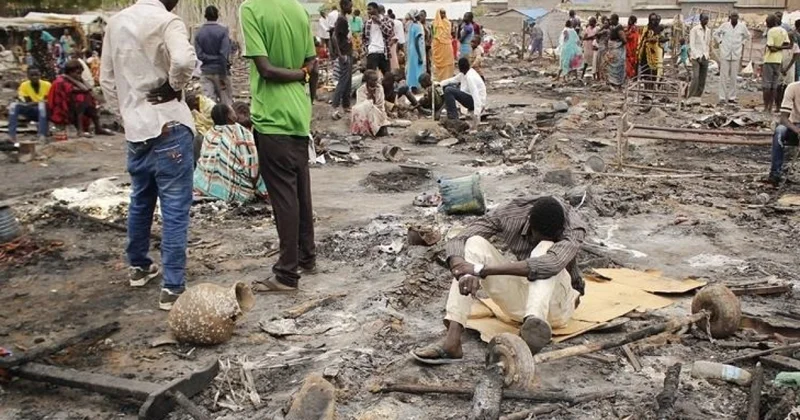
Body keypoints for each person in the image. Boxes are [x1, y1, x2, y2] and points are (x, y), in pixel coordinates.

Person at [100, 0, 197, 310]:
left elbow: (107, 80)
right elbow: (183, 60)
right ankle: (172, 287)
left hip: (137, 130)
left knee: (141, 200)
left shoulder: (116, 23)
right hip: (169, 124)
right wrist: (174, 85)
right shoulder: (167, 21)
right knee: (175, 208)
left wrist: (125, 116)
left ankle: (139, 266)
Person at [411, 196, 587, 363]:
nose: (533, 241)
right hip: (521, 303)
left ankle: (533, 327)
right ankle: (452, 342)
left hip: (558, 306)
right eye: (534, 235)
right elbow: (460, 238)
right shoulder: (510, 214)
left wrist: (481, 270)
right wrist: (464, 271)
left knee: (545, 249)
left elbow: (551, 264)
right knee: (474, 242)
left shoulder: (574, 227)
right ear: (529, 223)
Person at [240, 0, 317, 292]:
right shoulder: (298, 9)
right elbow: (312, 64)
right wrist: (306, 89)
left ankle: (286, 273)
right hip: (299, 113)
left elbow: (266, 69)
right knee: (300, 190)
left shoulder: (251, 9)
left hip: (272, 116)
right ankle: (306, 256)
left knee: (284, 196)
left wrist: (300, 74)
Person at [193, 103, 267, 203]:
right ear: (229, 116)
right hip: (235, 191)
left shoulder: (210, 133)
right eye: (232, 111)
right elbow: (252, 169)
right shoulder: (242, 134)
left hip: (205, 185)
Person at [48, 59, 112, 138]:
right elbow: (70, 91)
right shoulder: (60, 81)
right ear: (70, 72)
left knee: (90, 105)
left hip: (77, 104)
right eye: (77, 73)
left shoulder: (78, 80)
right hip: (65, 107)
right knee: (80, 105)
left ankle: (98, 128)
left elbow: (87, 90)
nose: (79, 75)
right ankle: (80, 131)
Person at [195, 5, 233, 106]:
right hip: (221, 71)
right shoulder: (223, 31)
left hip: (206, 72)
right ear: (217, 15)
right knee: (226, 103)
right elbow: (224, 54)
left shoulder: (199, 33)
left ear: (205, 16)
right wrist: (223, 74)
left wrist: (210, 59)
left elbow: (199, 55)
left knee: (209, 104)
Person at [714, 12, 750, 104]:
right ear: (730, 17)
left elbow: (748, 36)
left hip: (736, 54)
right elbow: (715, 34)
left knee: (734, 77)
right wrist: (720, 41)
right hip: (725, 53)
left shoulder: (742, 27)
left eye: (735, 17)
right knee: (723, 76)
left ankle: (732, 97)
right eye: (732, 17)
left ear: (738, 17)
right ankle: (722, 97)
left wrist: (742, 43)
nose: (734, 18)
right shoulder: (725, 26)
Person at [7, 67, 50, 143]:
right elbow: (27, 102)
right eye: (32, 75)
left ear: (40, 75)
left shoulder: (47, 85)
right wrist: (38, 102)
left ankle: (41, 135)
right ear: (28, 76)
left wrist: (37, 103)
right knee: (13, 106)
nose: (34, 77)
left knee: (42, 106)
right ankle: (12, 136)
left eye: (36, 75)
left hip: (46, 112)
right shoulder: (24, 85)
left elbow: (48, 101)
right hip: (32, 111)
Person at [441, 57, 486, 127]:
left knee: (448, 90)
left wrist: (477, 112)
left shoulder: (470, 77)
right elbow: (453, 80)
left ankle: (453, 117)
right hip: (471, 99)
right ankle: (451, 113)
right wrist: (439, 84)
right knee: (448, 86)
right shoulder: (465, 73)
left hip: (475, 102)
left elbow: (475, 93)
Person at [331, 0, 354, 120]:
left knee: (348, 80)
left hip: (348, 52)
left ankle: (346, 105)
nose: (352, 7)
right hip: (344, 54)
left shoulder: (345, 18)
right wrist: (340, 54)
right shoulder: (341, 20)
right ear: (344, 6)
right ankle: (335, 107)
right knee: (343, 81)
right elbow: (334, 37)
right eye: (350, 6)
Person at [350, 70, 389, 137]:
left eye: (376, 80)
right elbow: (360, 105)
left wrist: (372, 102)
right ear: (367, 81)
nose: (376, 82)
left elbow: (380, 104)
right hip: (365, 115)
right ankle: (364, 129)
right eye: (373, 80)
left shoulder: (379, 88)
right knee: (359, 108)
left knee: (371, 108)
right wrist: (370, 98)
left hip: (378, 112)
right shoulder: (360, 90)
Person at [764, 14, 789, 112]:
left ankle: (766, 107)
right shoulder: (783, 31)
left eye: (767, 23)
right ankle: (771, 106)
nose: (766, 25)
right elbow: (787, 45)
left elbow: (771, 47)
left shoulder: (771, 31)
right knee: (774, 85)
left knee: (767, 85)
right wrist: (780, 48)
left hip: (769, 59)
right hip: (779, 60)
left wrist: (775, 48)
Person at [363, 2, 394, 75]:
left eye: (370, 9)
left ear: (376, 9)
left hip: (384, 52)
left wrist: (379, 22)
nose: (368, 11)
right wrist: (365, 49)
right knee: (371, 76)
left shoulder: (387, 20)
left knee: (387, 75)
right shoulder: (368, 23)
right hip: (372, 52)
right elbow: (364, 38)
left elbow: (389, 32)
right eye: (367, 9)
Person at [186, 92, 216, 163]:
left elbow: (210, 122)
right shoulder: (195, 110)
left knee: (198, 140)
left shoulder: (210, 106)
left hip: (212, 131)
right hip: (201, 131)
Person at [688, 14, 711, 99]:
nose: (706, 21)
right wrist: (697, 56)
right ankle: (690, 96)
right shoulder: (695, 30)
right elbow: (692, 44)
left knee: (702, 79)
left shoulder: (708, 30)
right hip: (696, 57)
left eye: (707, 19)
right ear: (700, 19)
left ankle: (697, 97)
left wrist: (707, 55)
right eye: (704, 19)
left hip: (705, 56)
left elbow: (707, 44)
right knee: (696, 77)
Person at [638, 13, 664, 82]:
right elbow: (643, 38)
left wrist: (657, 39)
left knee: (657, 67)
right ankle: (647, 84)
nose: (653, 21)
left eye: (654, 19)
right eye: (651, 19)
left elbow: (659, 38)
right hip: (647, 50)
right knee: (646, 68)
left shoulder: (658, 28)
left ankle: (656, 82)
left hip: (656, 50)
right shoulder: (646, 27)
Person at [604, 14, 626, 87]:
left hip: (617, 51)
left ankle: (617, 83)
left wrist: (617, 45)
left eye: (611, 19)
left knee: (617, 67)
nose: (610, 21)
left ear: (616, 20)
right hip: (612, 50)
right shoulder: (612, 27)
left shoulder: (619, 28)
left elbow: (624, 40)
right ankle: (612, 82)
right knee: (611, 66)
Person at [432, 9, 455, 81]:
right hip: (438, 46)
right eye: (441, 13)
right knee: (438, 66)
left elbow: (450, 34)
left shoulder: (448, 23)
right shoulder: (433, 23)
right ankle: (439, 81)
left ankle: (447, 80)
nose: (443, 15)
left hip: (447, 46)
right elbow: (433, 34)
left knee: (448, 64)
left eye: (444, 13)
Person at [406, 11, 426, 91]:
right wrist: (420, 56)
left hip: (412, 50)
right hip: (417, 50)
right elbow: (417, 41)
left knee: (412, 69)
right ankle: (417, 86)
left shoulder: (411, 25)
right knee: (418, 68)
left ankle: (412, 86)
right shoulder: (418, 27)